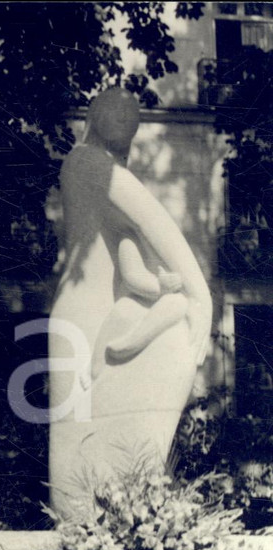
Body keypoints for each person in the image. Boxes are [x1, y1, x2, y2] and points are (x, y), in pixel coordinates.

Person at [48, 87, 212, 521]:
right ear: (97, 117)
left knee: (83, 460)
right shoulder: (89, 165)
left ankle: (110, 544)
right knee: (72, 467)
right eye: (120, 113)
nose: (128, 122)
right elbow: (159, 226)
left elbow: (133, 264)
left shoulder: (91, 173)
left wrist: (166, 290)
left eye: (133, 117)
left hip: (93, 316)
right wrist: (201, 296)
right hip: (84, 315)